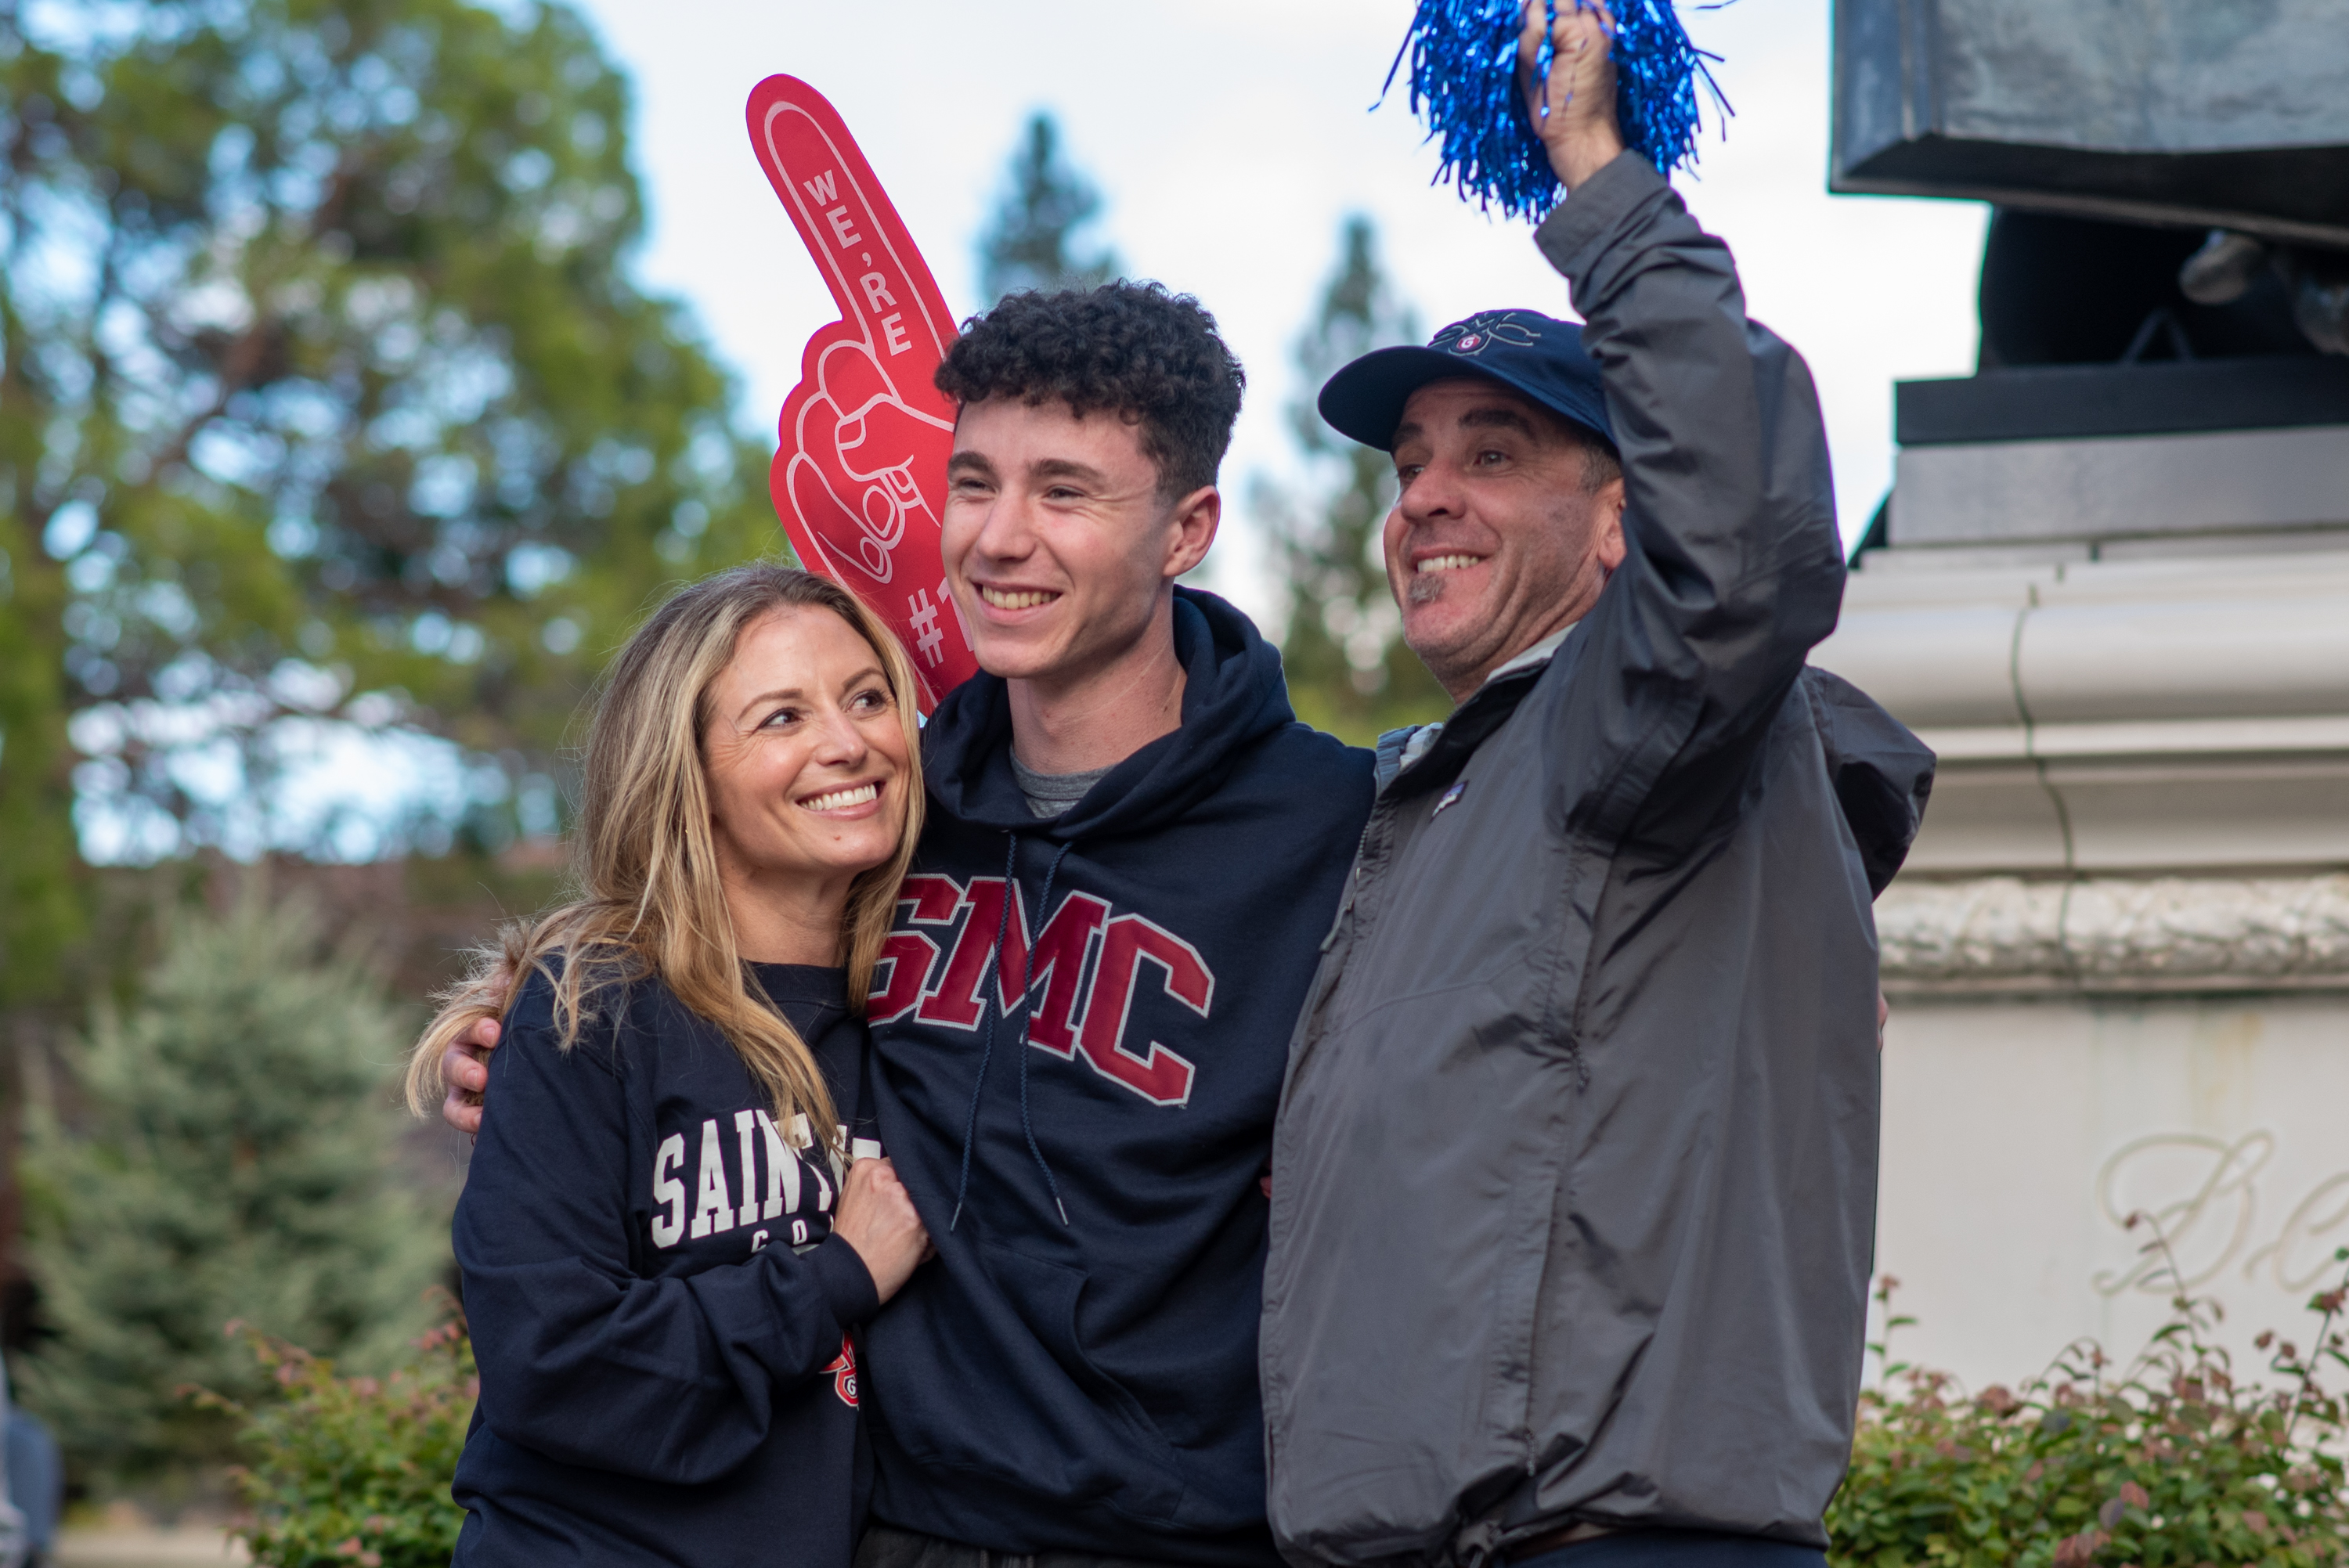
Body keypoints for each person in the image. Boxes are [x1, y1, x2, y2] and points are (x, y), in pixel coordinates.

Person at [437, 286, 1377, 1568]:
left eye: (1064, 492)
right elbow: (709, 965)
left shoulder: (1335, 823)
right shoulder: (898, 808)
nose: (999, 537)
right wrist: (538, 1046)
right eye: (974, 481)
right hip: (893, 1525)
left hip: (1175, 1530)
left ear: (1187, 528)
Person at [1258, 10, 1934, 1568]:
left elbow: (1746, 543)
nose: (1425, 493)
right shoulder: (1450, 791)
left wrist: (1602, 181)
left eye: (1492, 454)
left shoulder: (1634, 724)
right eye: (1410, 460)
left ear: (1626, 522)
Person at [409, 564, 934, 1568]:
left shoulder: (927, 1013)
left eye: (868, 697)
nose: (847, 741)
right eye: (782, 716)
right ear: (686, 768)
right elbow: (555, 1363)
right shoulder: (591, 1008)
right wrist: (835, 1275)